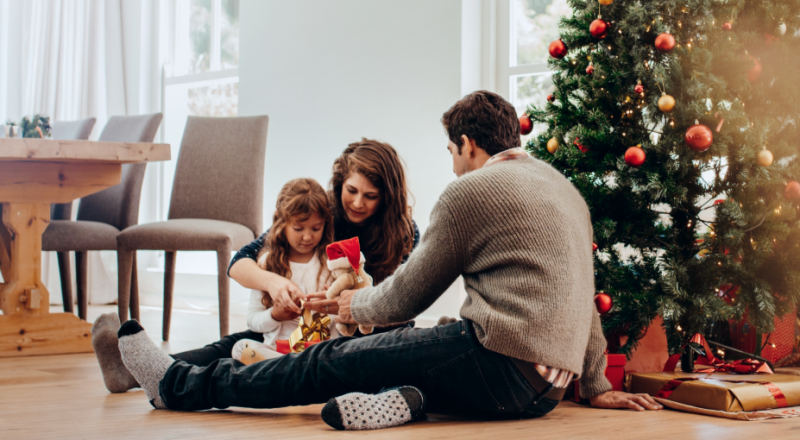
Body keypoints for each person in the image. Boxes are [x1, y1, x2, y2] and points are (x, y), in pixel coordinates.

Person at [111, 91, 662, 430]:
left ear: (468, 143)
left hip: (498, 363)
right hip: (545, 392)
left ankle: (179, 386)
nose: (451, 164)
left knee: (330, 360)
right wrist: (595, 381)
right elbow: (583, 293)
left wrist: (353, 302)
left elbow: (407, 295)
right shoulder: (563, 189)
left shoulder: (473, 191)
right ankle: (402, 403)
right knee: (417, 353)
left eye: (451, 152)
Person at [91, 178, 340, 392]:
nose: (307, 236)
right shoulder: (270, 260)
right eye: (299, 228)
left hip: (320, 351)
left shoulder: (330, 262)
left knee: (234, 356)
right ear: (282, 224)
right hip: (276, 346)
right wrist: (274, 294)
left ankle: (141, 372)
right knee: (234, 348)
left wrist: (332, 309)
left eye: (315, 229)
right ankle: (135, 370)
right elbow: (239, 266)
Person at [228, 139, 420, 324]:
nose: (357, 203)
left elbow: (404, 302)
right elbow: (239, 262)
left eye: (370, 196)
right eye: (351, 190)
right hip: (312, 330)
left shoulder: (404, 232)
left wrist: (355, 305)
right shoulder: (321, 215)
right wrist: (273, 283)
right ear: (340, 184)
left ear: (387, 198)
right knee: (232, 345)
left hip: (371, 332)